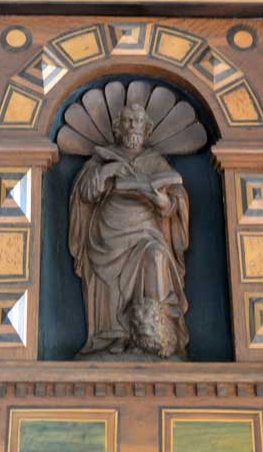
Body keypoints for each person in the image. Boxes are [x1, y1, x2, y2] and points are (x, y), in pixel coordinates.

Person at [69, 103, 189, 359]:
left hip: (147, 231)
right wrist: (107, 171)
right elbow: (86, 194)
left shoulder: (155, 161)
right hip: (108, 233)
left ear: (147, 128)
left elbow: (175, 202)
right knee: (110, 281)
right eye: (127, 121)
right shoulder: (102, 158)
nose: (133, 126)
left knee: (156, 257)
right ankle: (114, 337)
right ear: (117, 127)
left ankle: (155, 336)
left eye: (138, 121)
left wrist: (162, 201)